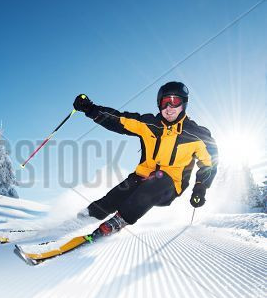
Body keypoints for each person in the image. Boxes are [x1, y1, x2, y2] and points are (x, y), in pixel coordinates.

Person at [73, 81, 218, 236]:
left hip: (169, 185)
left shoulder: (197, 135)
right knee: (116, 195)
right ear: (159, 104)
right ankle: (83, 219)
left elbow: (209, 164)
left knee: (158, 181)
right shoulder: (149, 124)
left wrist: (200, 188)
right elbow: (119, 120)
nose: (169, 108)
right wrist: (90, 108)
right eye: (165, 102)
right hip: (142, 177)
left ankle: (118, 222)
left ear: (184, 104)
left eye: (175, 102)